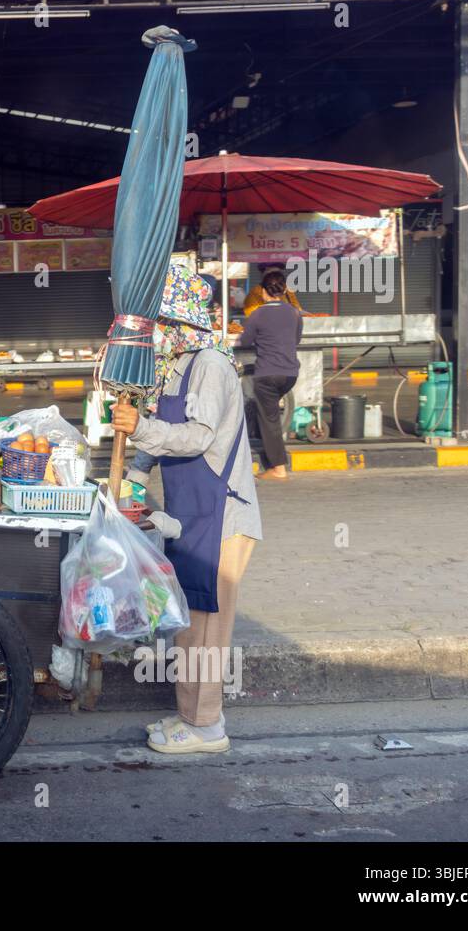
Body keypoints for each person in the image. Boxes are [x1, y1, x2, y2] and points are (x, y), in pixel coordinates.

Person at [110, 267, 261, 756]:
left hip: (221, 516)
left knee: (208, 629)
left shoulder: (211, 366)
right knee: (187, 626)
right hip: (190, 514)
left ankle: (207, 726)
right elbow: (156, 430)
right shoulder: (176, 366)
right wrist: (135, 475)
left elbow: (197, 436)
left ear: (179, 320)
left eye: (158, 323)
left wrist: (139, 430)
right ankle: (187, 716)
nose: (152, 335)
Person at [238, 270, 303, 480]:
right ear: (284, 290)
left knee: (270, 419)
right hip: (290, 373)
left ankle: (278, 468)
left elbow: (246, 341)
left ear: (264, 292)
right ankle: (271, 452)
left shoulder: (258, 314)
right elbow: (296, 339)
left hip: (267, 374)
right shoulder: (294, 312)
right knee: (271, 414)